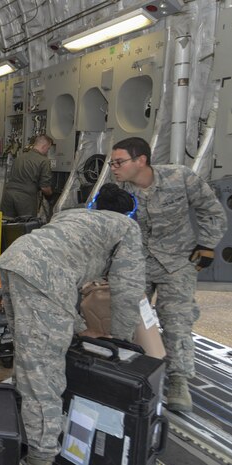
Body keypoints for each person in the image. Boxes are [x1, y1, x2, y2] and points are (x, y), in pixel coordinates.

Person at [0, 183, 145, 465]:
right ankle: (41, 457)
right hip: (43, 277)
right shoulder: (127, 227)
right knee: (43, 374)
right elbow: (127, 288)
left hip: (15, 261)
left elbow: (67, 279)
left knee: (29, 357)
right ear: (129, 213)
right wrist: (122, 341)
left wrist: (76, 326)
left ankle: (17, 427)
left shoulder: (74, 216)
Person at [110, 137, 227, 412]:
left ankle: (178, 380)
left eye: (119, 162)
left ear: (141, 160)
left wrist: (207, 244)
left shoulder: (180, 177)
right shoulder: (118, 191)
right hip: (138, 263)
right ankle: (126, 374)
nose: (113, 168)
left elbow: (211, 210)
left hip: (177, 263)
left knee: (177, 321)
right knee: (125, 320)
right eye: (112, 163)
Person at [0, 134, 53, 218]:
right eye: (48, 148)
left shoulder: (19, 158)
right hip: (25, 198)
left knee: (6, 225)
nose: (47, 151)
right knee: (27, 226)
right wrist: (50, 197)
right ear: (44, 146)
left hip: (8, 195)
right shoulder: (43, 161)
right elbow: (45, 187)